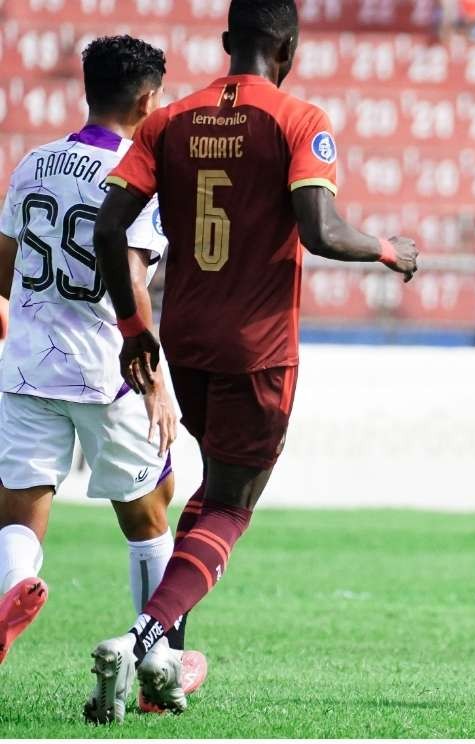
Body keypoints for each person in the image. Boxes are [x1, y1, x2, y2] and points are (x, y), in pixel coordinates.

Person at [83, 0, 419, 723]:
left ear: (228, 41)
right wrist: (390, 250)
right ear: (289, 49)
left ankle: (163, 667)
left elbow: (108, 227)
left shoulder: (168, 121)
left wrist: (135, 328)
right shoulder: (299, 120)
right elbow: (321, 230)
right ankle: (145, 640)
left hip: (186, 340)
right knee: (234, 503)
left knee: (213, 490)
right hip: (258, 348)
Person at [0, 35, 207, 711]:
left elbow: (5, 268)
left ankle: (11, 586)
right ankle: (158, 664)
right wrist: (155, 379)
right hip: (107, 368)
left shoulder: (33, 162)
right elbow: (134, 283)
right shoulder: (138, 172)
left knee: (22, 507)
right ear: (148, 99)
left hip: (28, 362)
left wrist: (40, 311)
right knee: (148, 514)